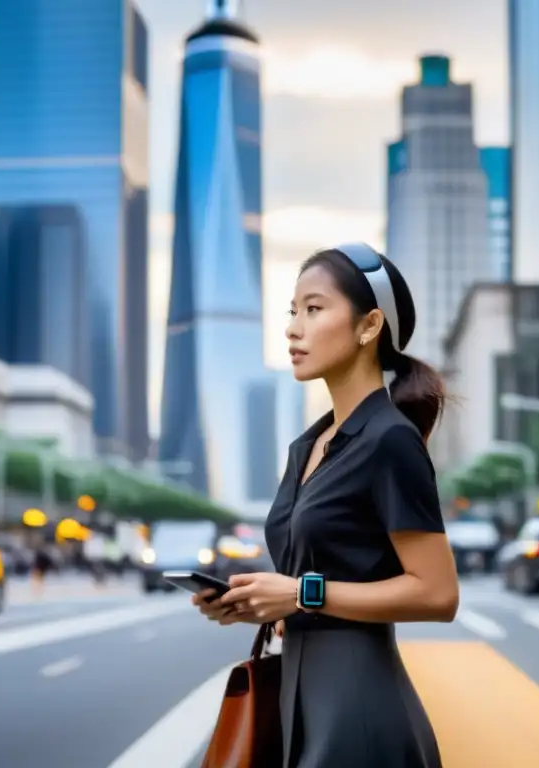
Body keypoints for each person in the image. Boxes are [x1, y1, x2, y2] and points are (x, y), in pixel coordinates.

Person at [193, 244, 458, 768]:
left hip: (358, 708)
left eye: (314, 309)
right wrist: (254, 603)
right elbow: (311, 589)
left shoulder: (389, 441)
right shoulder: (306, 447)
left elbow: (437, 593)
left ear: (368, 326)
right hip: (298, 696)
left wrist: (301, 593)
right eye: (293, 311)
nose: (294, 328)